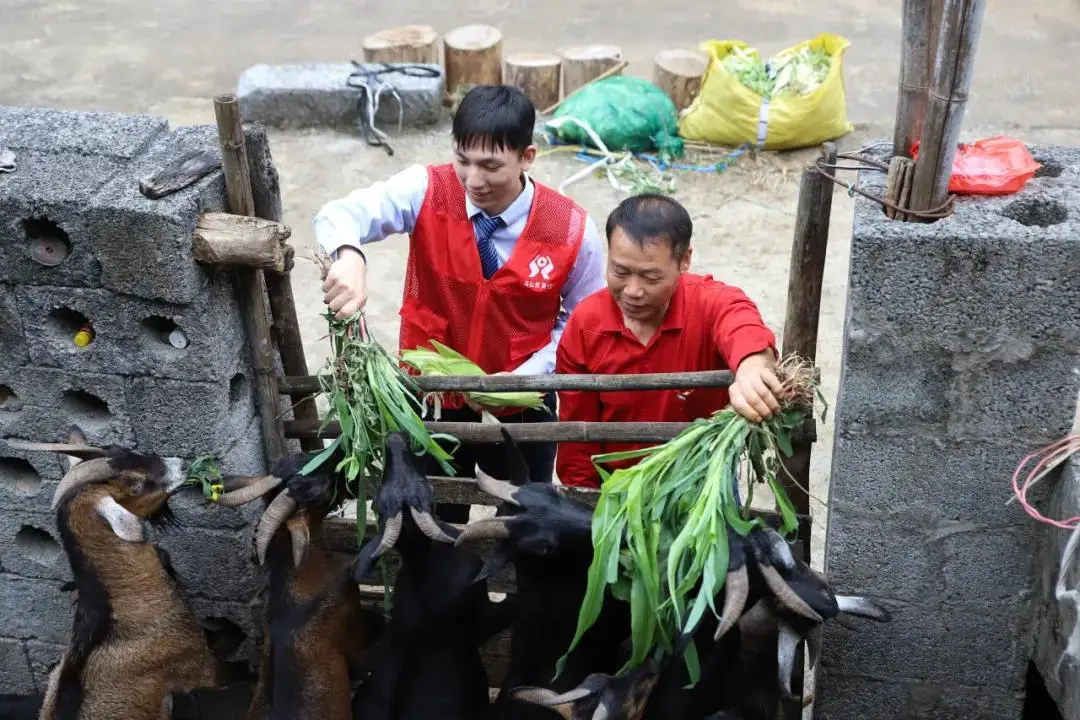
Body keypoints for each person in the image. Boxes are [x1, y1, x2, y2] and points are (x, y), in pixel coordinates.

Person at [313, 84, 606, 517]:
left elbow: (585, 322)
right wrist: (349, 254)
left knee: (525, 520)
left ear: (527, 157)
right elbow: (339, 214)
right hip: (431, 396)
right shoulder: (426, 188)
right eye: (462, 159)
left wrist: (525, 379)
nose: (473, 180)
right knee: (434, 518)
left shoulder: (571, 229)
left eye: (491, 165)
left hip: (524, 400)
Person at [555, 193, 785, 488]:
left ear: (684, 260)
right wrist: (585, 500)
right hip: (616, 486)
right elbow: (576, 436)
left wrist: (753, 369)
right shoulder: (586, 324)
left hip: (701, 484)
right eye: (620, 272)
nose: (633, 291)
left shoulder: (710, 303)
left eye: (651, 278)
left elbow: (743, 327)